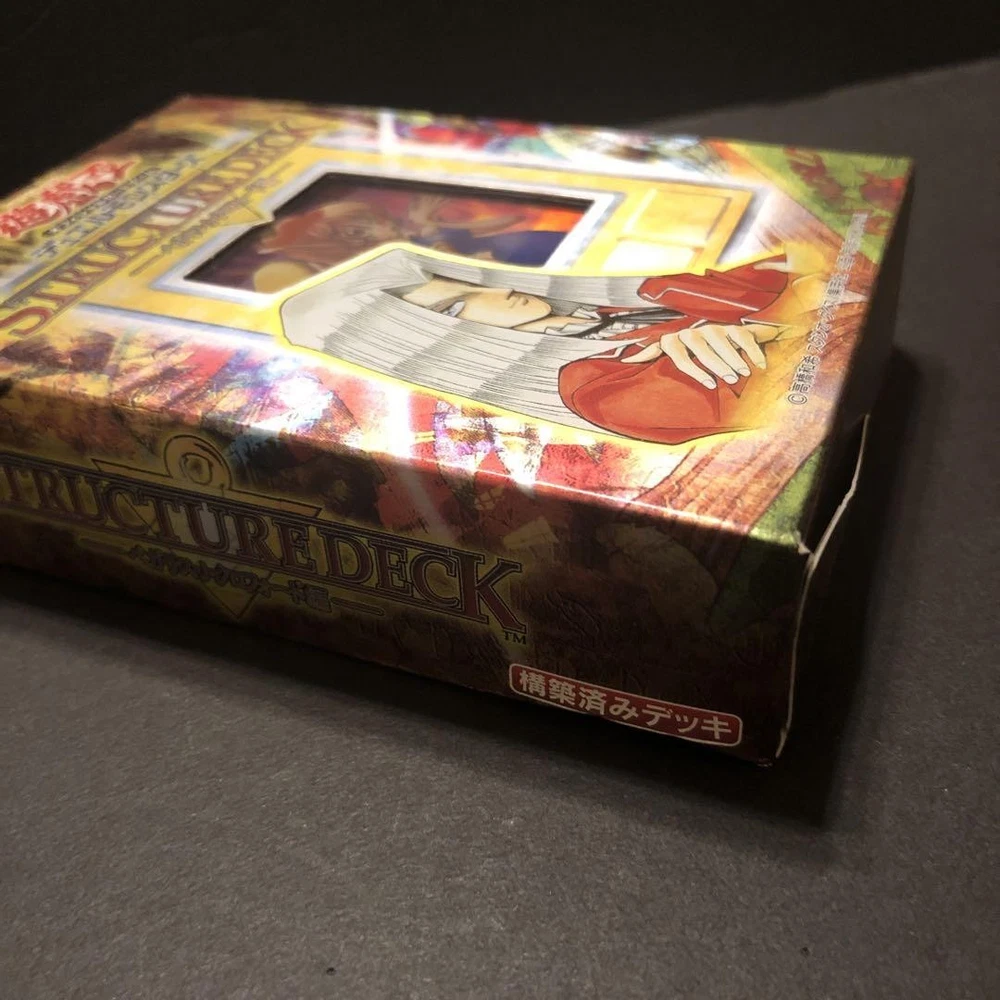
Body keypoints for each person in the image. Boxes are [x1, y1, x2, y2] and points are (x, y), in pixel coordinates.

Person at [400, 254, 801, 444]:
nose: (499, 290)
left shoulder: (655, 287)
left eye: (470, 281)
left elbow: (804, 265)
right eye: (454, 306)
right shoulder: (594, 387)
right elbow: (787, 407)